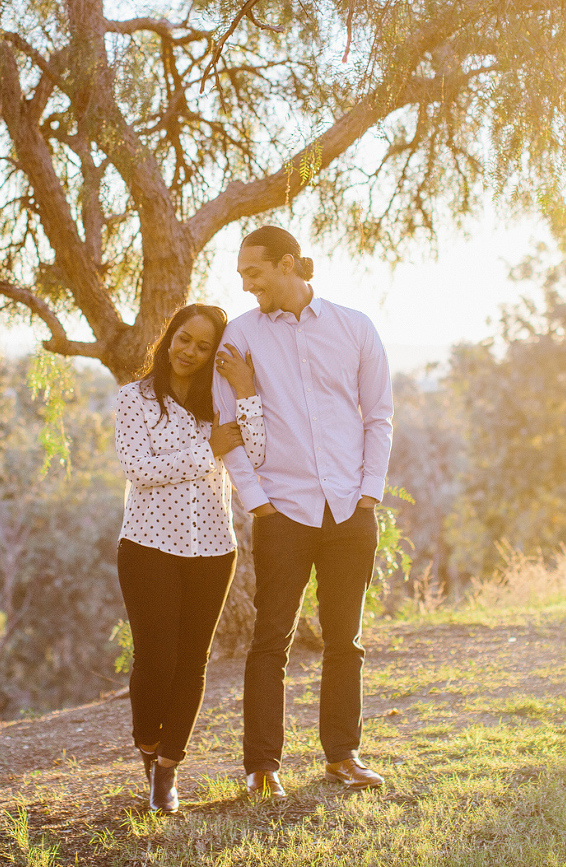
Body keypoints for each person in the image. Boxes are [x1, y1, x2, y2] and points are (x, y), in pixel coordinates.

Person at [212, 225, 394, 799]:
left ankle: (343, 757)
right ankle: (262, 766)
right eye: (241, 275)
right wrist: (258, 503)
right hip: (282, 512)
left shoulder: (355, 327)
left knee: (346, 640)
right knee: (271, 640)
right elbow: (229, 433)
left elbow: (378, 416)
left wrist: (369, 492)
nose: (246, 286)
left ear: (288, 264)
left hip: (349, 510)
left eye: (254, 272)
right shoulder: (238, 338)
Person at [114, 303, 266, 814]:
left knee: (192, 664)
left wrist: (244, 390)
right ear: (169, 335)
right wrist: (210, 451)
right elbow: (139, 469)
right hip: (147, 546)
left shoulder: (218, 402)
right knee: (155, 661)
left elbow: (258, 449)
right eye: (185, 339)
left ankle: (168, 770)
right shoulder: (133, 399)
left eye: (204, 346)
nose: (191, 352)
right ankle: (148, 748)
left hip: (212, 548)